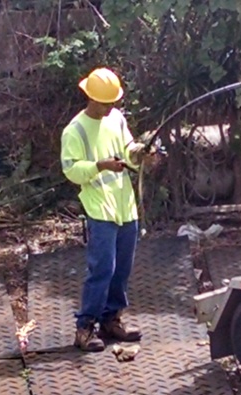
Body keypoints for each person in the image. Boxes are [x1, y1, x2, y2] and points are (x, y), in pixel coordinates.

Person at [60, 67, 153, 352]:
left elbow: (128, 151)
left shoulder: (116, 119)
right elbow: (71, 170)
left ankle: (111, 320)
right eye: (104, 103)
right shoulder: (75, 130)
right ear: (89, 97)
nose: (109, 108)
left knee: (122, 268)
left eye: (113, 102)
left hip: (124, 206)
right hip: (100, 207)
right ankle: (85, 327)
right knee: (102, 269)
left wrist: (141, 154)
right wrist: (100, 165)